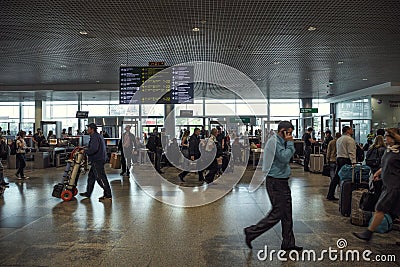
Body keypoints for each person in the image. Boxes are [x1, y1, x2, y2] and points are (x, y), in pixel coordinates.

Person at [244, 121, 302, 251]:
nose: (290, 135)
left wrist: (288, 143)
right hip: (276, 182)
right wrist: (291, 143)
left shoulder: (281, 141)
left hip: (282, 181)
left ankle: (288, 243)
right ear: (282, 131)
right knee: (277, 213)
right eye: (289, 132)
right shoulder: (274, 141)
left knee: (287, 214)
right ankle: (252, 231)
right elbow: (285, 157)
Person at [353, 128, 400, 245]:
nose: (385, 138)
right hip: (387, 184)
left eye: (387, 136)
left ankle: (368, 233)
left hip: (394, 186)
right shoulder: (389, 150)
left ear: (394, 137)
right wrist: (378, 173)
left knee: (380, 208)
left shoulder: (398, 152)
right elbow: (385, 165)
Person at [79, 123, 112, 201]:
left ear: (92, 129)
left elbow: (94, 149)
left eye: (88, 128)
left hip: (97, 160)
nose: (87, 130)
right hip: (98, 159)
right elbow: (93, 147)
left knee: (100, 177)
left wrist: (85, 151)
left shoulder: (95, 137)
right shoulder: (96, 136)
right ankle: (88, 193)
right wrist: (86, 147)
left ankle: (108, 195)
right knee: (91, 177)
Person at [326, 126, 356, 201]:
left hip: (339, 158)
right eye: (351, 129)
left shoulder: (339, 139)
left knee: (336, 177)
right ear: (348, 131)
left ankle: (330, 194)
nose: (352, 130)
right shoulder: (350, 140)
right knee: (347, 178)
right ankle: (346, 196)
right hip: (346, 159)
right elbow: (351, 152)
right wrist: (353, 162)